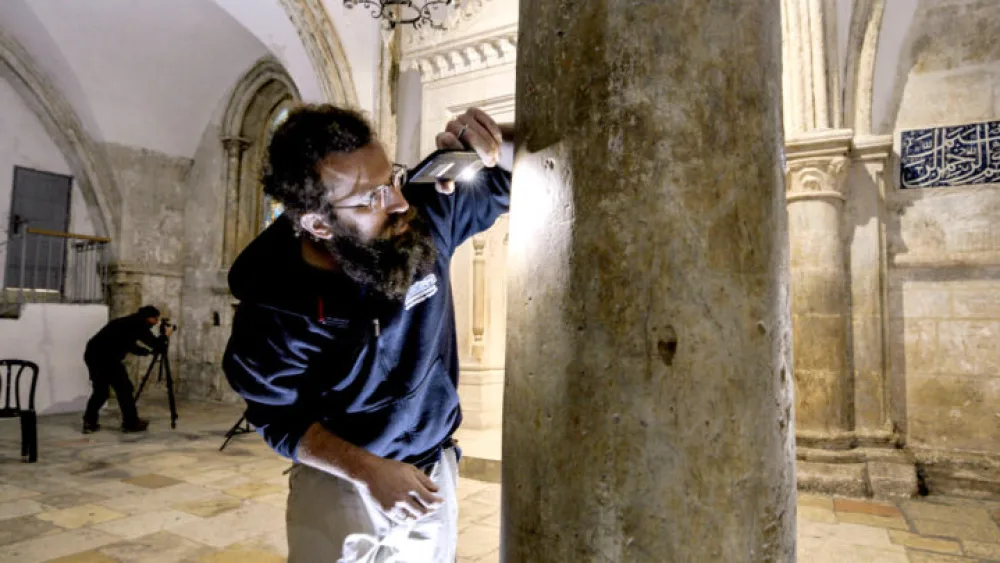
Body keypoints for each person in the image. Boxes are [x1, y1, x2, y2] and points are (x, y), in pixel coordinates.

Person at [222, 104, 512, 562]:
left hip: (431, 470)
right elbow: (277, 419)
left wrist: (489, 139)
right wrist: (368, 471)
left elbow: (513, 170)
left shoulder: (419, 214)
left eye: (392, 178)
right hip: (339, 484)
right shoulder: (275, 308)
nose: (398, 203)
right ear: (317, 224)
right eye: (371, 197)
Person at [82, 304, 167, 433]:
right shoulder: (139, 325)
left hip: (93, 355)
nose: (156, 322)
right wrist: (165, 335)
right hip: (107, 358)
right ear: (149, 318)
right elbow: (156, 344)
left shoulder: (127, 322)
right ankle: (131, 423)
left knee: (101, 391)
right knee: (124, 389)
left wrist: (147, 352)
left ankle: (89, 422)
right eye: (155, 319)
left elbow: (129, 345)